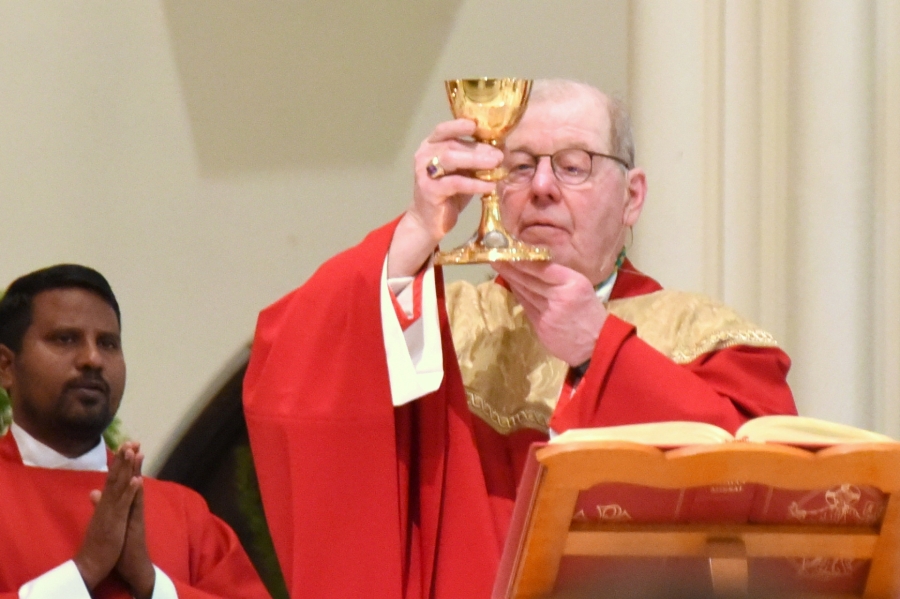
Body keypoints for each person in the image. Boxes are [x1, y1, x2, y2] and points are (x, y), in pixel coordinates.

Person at [243, 79, 797, 598]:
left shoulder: (701, 333)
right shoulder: (438, 325)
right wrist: (415, 230)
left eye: (574, 166)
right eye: (518, 167)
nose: (540, 188)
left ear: (632, 197)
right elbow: (292, 378)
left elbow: (774, 492)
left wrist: (599, 349)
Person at [0, 264, 271, 599]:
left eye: (108, 343)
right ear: (6, 367)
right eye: (65, 339)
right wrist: (83, 571)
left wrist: (150, 583)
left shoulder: (184, 514)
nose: (92, 358)